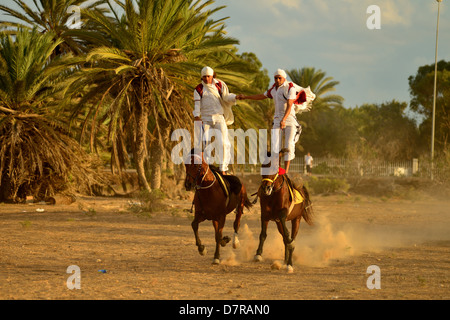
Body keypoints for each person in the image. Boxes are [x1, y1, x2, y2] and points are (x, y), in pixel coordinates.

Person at [237, 69, 301, 174]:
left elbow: (290, 105)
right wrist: (246, 97)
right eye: (276, 78)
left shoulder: (290, 88)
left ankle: (286, 172)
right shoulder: (273, 89)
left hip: (289, 120)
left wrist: (284, 120)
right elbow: (261, 96)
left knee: (289, 145)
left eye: (280, 78)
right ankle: (277, 169)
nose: (277, 80)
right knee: (276, 146)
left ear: (284, 78)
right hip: (277, 120)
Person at [193, 66, 237, 175]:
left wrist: (236, 97)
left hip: (219, 117)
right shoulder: (198, 89)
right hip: (206, 119)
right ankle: (207, 166)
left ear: (212, 76)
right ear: (202, 77)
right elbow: (197, 105)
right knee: (206, 143)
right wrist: (197, 117)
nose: (207, 79)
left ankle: (223, 168)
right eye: (204, 77)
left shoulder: (219, 85)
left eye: (208, 76)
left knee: (223, 143)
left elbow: (226, 97)